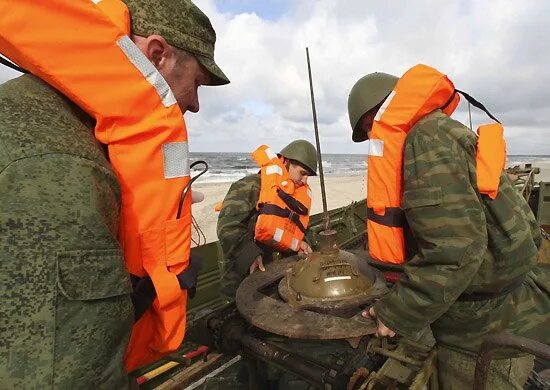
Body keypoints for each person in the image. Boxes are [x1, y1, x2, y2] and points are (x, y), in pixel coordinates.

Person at [0, 0, 228, 388]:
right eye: (197, 83)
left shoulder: (61, 122)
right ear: (158, 56)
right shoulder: (60, 166)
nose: (195, 103)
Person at [347, 65, 550, 389]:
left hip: (482, 329)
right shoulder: (439, 131)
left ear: (376, 114)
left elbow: (455, 251)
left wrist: (395, 313)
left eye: (370, 130)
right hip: (498, 312)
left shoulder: (425, 139)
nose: (374, 138)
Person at [217, 140, 317, 300]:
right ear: (285, 162)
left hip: (279, 280)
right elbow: (228, 227)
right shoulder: (251, 185)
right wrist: (250, 256)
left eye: (308, 176)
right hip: (243, 280)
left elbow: (301, 227)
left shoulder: (296, 196)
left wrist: (303, 243)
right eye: (302, 173)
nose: (304, 181)